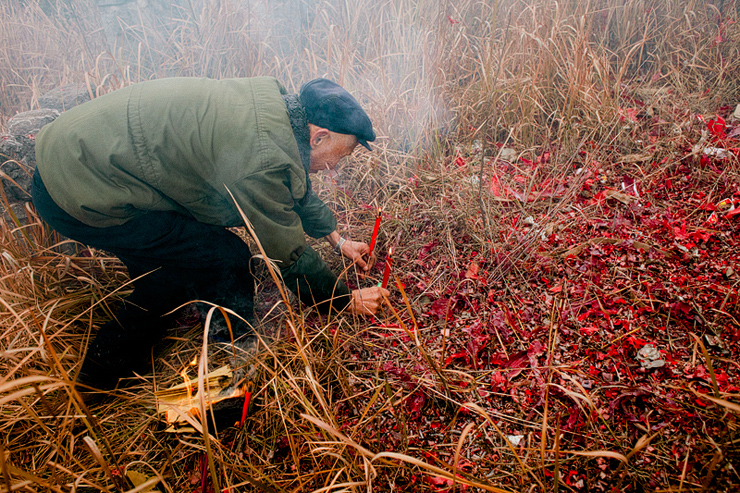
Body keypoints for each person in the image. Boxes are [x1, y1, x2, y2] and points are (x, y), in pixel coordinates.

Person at [31, 76, 389, 391]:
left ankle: (200, 332)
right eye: (339, 156)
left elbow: (292, 184)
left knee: (175, 262)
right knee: (218, 258)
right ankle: (215, 350)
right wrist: (344, 300)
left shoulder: (273, 108)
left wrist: (337, 240)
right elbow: (288, 253)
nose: (335, 167)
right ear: (318, 136)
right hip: (80, 190)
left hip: (77, 155)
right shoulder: (261, 158)